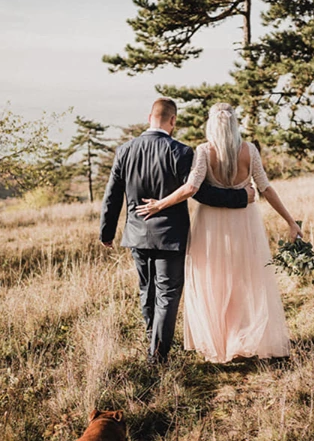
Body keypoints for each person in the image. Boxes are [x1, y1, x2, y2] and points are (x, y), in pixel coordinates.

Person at [136, 102, 302, 363]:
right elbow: (266, 188)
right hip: (244, 223)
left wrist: (160, 204)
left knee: (214, 281)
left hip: (210, 226)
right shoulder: (249, 150)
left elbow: (191, 188)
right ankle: (244, 337)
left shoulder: (203, 151)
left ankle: (222, 342)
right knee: (246, 281)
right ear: (235, 124)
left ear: (210, 124)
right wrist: (291, 221)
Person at [100, 98, 255, 364]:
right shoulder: (181, 152)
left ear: (150, 117)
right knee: (167, 294)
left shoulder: (124, 150)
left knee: (146, 290)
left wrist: (107, 232)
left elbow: (112, 196)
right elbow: (202, 193)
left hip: (136, 234)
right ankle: (157, 355)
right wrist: (242, 198)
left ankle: (153, 342)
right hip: (170, 236)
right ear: (173, 121)